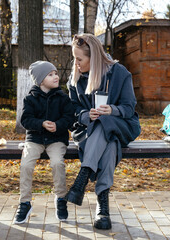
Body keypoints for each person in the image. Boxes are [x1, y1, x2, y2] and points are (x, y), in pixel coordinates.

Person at [65, 33, 141, 230]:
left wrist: (112, 110)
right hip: (88, 132)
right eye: (75, 58)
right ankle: (103, 207)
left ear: (93, 58)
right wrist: (84, 115)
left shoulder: (119, 73)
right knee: (108, 142)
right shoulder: (76, 78)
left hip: (120, 126)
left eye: (79, 59)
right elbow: (71, 109)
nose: (76, 63)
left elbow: (129, 107)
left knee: (105, 122)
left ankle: (84, 175)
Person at [14, 61, 75, 224]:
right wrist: (41, 123)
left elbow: (69, 118)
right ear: (41, 80)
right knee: (26, 165)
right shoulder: (30, 98)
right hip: (35, 139)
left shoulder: (63, 97)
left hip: (56, 140)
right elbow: (26, 120)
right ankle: (24, 202)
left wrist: (58, 125)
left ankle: (61, 199)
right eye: (50, 74)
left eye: (56, 73)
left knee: (57, 164)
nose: (55, 77)